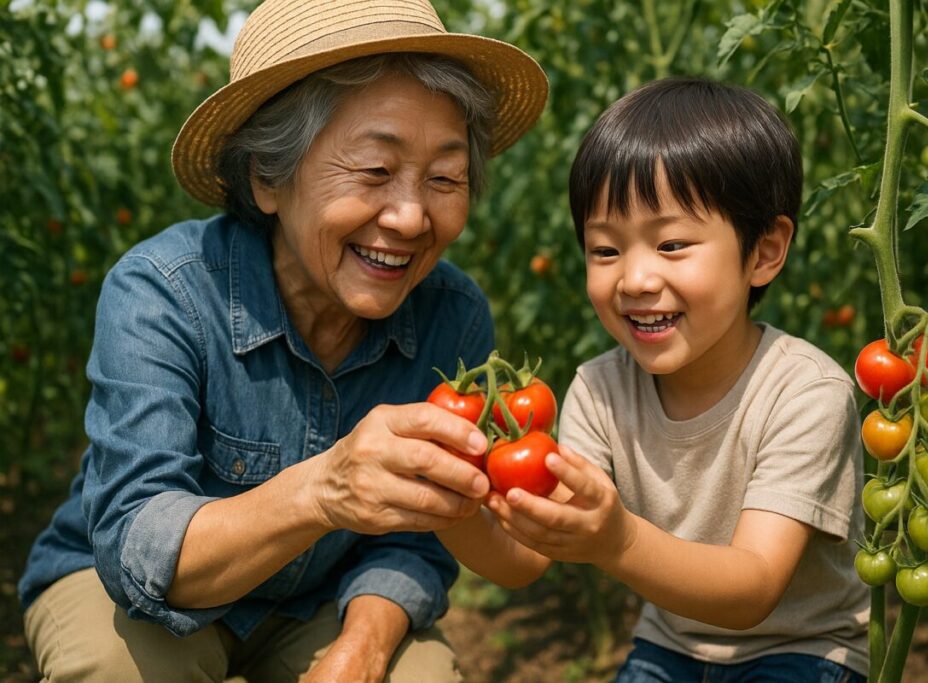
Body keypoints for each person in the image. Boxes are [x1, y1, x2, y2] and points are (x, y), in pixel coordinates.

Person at [17, 1, 547, 681]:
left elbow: (420, 539)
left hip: (318, 598)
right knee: (114, 669)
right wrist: (324, 490)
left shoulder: (452, 314)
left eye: (445, 178)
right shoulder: (164, 291)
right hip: (125, 587)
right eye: (374, 171)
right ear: (269, 176)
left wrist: (361, 646)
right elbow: (139, 547)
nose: (412, 216)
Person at [437, 77, 870, 682]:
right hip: (669, 647)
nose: (635, 279)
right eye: (605, 250)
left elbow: (755, 587)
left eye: (671, 244)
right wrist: (448, 506)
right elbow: (526, 558)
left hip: (798, 652)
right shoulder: (599, 389)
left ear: (765, 251)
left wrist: (617, 542)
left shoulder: (804, 393)